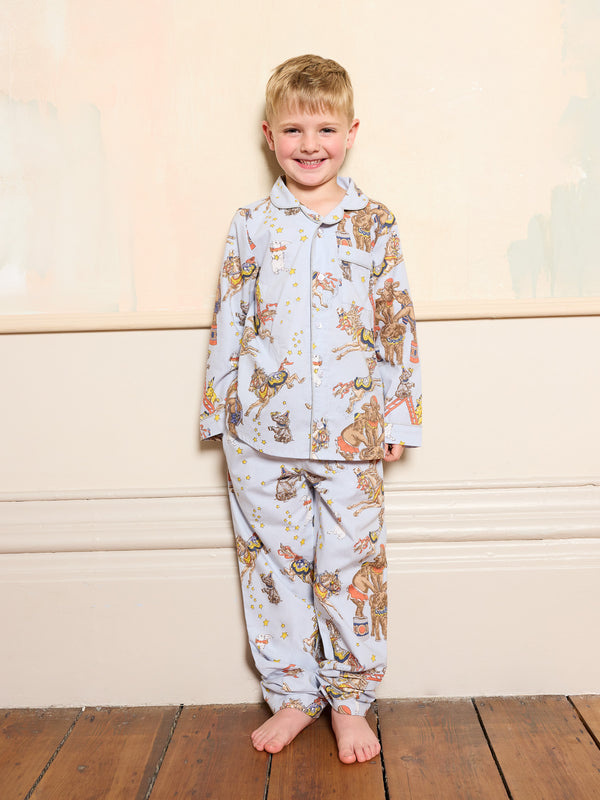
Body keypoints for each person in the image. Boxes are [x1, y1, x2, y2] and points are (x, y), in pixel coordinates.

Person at [199, 54, 422, 764]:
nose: (309, 144)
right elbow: (229, 320)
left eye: (325, 128)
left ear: (351, 132)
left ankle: (351, 701)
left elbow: (396, 323)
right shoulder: (251, 225)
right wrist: (217, 413)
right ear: (269, 135)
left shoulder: (375, 224)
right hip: (261, 436)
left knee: (352, 565)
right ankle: (294, 695)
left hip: (353, 434)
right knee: (273, 568)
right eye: (293, 129)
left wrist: (399, 415)